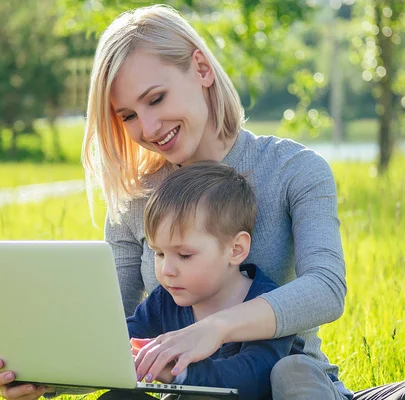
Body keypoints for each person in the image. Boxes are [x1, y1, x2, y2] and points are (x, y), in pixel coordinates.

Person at [0, 4, 405, 400]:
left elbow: (326, 289)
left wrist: (214, 329)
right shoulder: (135, 199)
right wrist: (46, 377)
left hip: (290, 385)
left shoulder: (295, 169)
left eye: (156, 98)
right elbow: (114, 336)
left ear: (201, 68)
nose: (150, 126)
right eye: (129, 116)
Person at [99, 160, 304, 400]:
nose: (167, 270)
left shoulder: (267, 307)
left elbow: (252, 379)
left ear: (236, 249)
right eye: (160, 253)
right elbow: (123, 339)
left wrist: (179, 373)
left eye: (185, 255)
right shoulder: (164, 300)